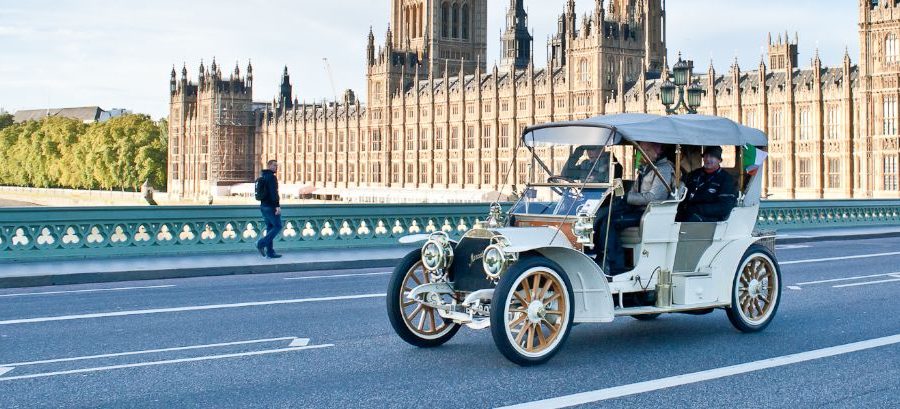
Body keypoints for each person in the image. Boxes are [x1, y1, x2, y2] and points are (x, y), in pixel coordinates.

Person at [596, 141, 675, 275]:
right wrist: (623, 196)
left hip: (649, 212)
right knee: (604, 215)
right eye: (642, 151)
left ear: (658, 151)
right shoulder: (648, 167)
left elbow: (654, 198)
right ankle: (600, 255)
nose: (642, 154)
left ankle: (615, 265)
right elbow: (634, 190)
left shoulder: (664, 169)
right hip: (636, 209)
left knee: (611, 221)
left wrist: (627, 198)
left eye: (646, 151)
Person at [678, 146, 737, 222]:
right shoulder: (694, 175)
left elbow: (724, 207)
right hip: (688, 213)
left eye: (712, 156)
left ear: (719, 160)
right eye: (706, 156)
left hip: (711, 219)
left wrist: (697, 209)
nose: (708, 159)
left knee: (692, 219)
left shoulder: (726, 179)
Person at [256, 160, 283, 259]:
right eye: (275, 165)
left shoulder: (262, 176)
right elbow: (274, 193)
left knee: (270, 228)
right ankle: (261, 243)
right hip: (271, 206)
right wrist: (277, 206)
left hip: (263, 206)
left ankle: (270, 252)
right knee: (278, 226)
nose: (277, 167)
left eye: (277, 165)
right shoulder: (272, 177)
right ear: (269, 166)